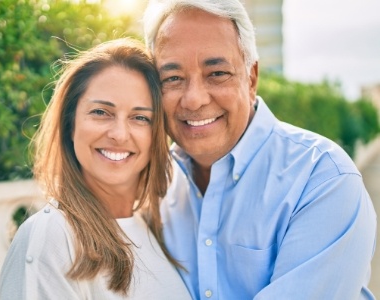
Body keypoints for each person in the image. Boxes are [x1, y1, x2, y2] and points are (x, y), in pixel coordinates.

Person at [143, 0, 377, 299]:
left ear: (251, 78)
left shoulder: (323, 179)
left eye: (217, 73)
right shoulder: (151, 188)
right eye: (172, 78)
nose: (194, 99)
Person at [0, 38, 191, 300]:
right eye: (101, 112)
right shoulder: (51, 236)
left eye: (140, 117)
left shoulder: (155, 229)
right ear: (70, 124)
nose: (120, 134)